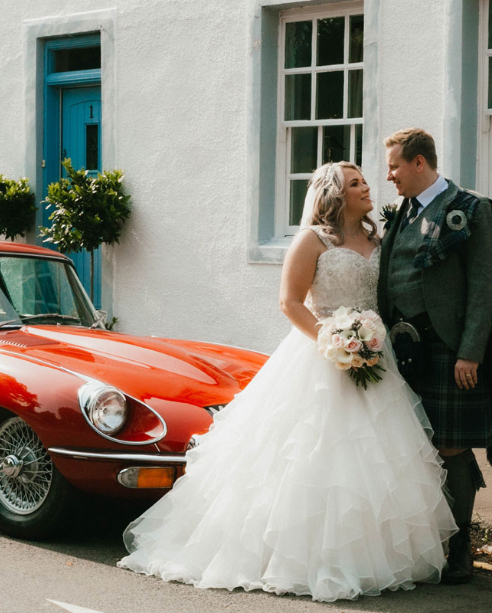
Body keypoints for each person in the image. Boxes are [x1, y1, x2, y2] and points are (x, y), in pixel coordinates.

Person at [117, 161, 457, 602]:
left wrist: (367, 344)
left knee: (375, 458)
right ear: (336, 195)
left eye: (365, 181)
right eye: (356, 184)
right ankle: (299, 557)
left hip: (375, 357)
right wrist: (335, 343)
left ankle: (371, 556)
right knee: (310, 456)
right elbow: (290, 302)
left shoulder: (379, 238)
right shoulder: (312, 240)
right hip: (322, 353)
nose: (367, 187)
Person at [379, 128, 492, 584]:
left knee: (452, 446)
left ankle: (460, 547)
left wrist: (470, 353)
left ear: (419, 163)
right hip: (403, 349)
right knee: (415, 446)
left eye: (394, 167)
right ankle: (428, 543)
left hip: (449, 349)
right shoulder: (402, 212)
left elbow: (485, 286)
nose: (389, 177)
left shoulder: (471, 208)